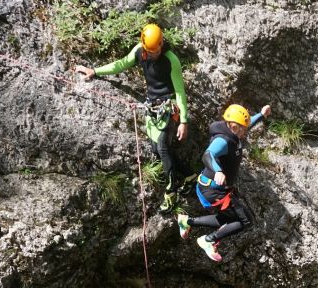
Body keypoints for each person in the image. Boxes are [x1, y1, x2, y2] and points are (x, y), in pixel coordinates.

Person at [74, 24, 193, 210]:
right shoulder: (140, 51)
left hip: (169, 107)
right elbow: (121, 64)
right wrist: (95, 71)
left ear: (162, 43)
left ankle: (172, 191)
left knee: (162, 147)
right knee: (156, 149)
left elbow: (179, 92)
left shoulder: (171, 60)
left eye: (157, 49)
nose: (154, 53)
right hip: (153, 106)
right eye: (150, 50)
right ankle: (188, 175)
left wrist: (183, 121)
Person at [176, 103, 270, 262]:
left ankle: (187, 221)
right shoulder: (223, 140)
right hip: (213, 191)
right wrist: (218, 170)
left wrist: (261, 114)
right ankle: (208, 240)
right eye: (242, 128)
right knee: (245, 221)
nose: (245, 131)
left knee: (231, 219)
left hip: (215, 189)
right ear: (233, 126)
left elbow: (248, 123)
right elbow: (207, 155)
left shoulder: (234, 133)